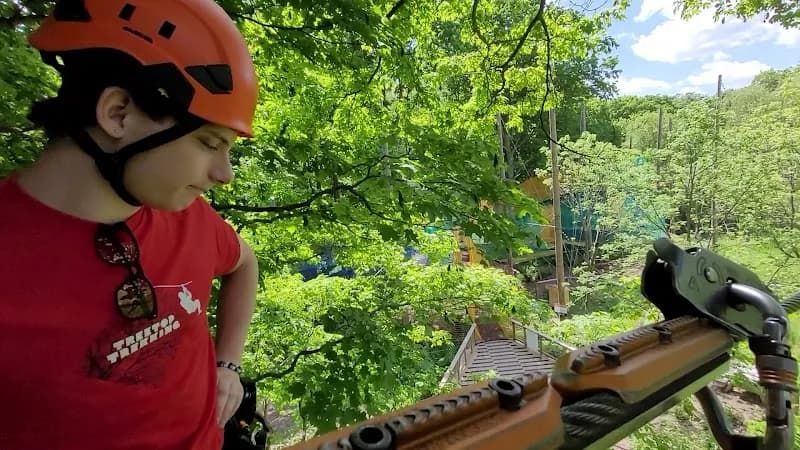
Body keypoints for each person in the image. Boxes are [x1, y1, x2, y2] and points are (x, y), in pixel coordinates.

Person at [0, 0, 260, 449]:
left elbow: (244, 263)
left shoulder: (185, 217)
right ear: (118, 113)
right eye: (209, 142)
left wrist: (228, 365)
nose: (224, 174)